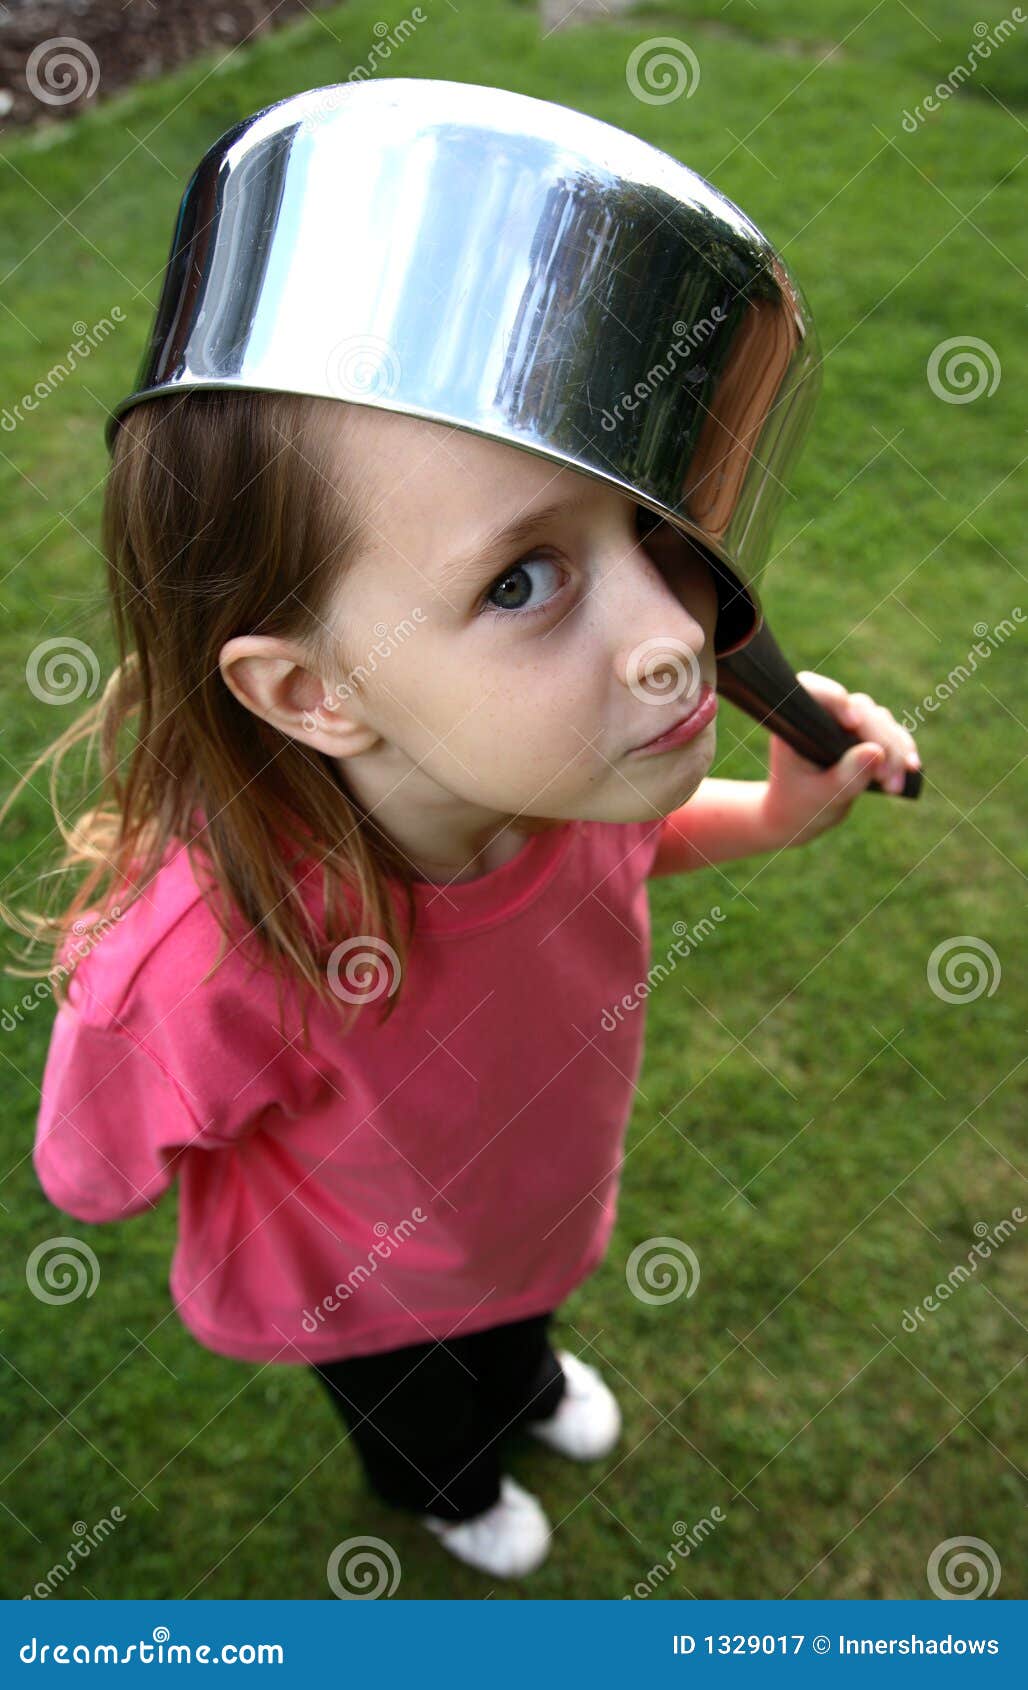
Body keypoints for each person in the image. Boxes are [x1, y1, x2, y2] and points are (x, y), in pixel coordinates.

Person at [5, 88, 921, 1580]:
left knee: (518, 1321)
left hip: (530, 1207)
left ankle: (527, 1374)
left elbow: (635, 854)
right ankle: (449, 1489)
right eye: (521, 581)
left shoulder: (561, 783)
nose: (672, 638)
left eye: (651, 532)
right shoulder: (209, 947)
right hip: (370, 1293)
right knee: (431, 1406)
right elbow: (93, 1162)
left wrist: (773, 810)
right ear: (313, 690)